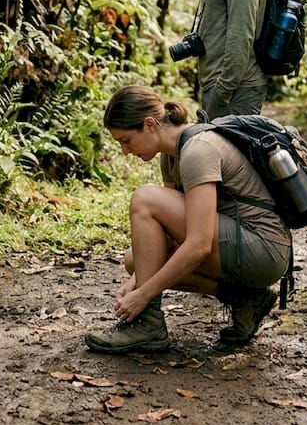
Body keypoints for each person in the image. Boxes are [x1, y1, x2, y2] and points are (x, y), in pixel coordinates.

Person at [84, 85, 291, 354]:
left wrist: (142, 296)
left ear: (149, 125)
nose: (124, 150)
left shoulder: (197, 151)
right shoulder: (170, 155)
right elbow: (168, 234)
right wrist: (137, 281)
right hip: (240, 245)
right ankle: (246, 299)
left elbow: (199, 244)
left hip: (264, 249)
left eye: (126, 141)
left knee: (145, 199)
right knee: (135, 261)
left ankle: (147, 325)